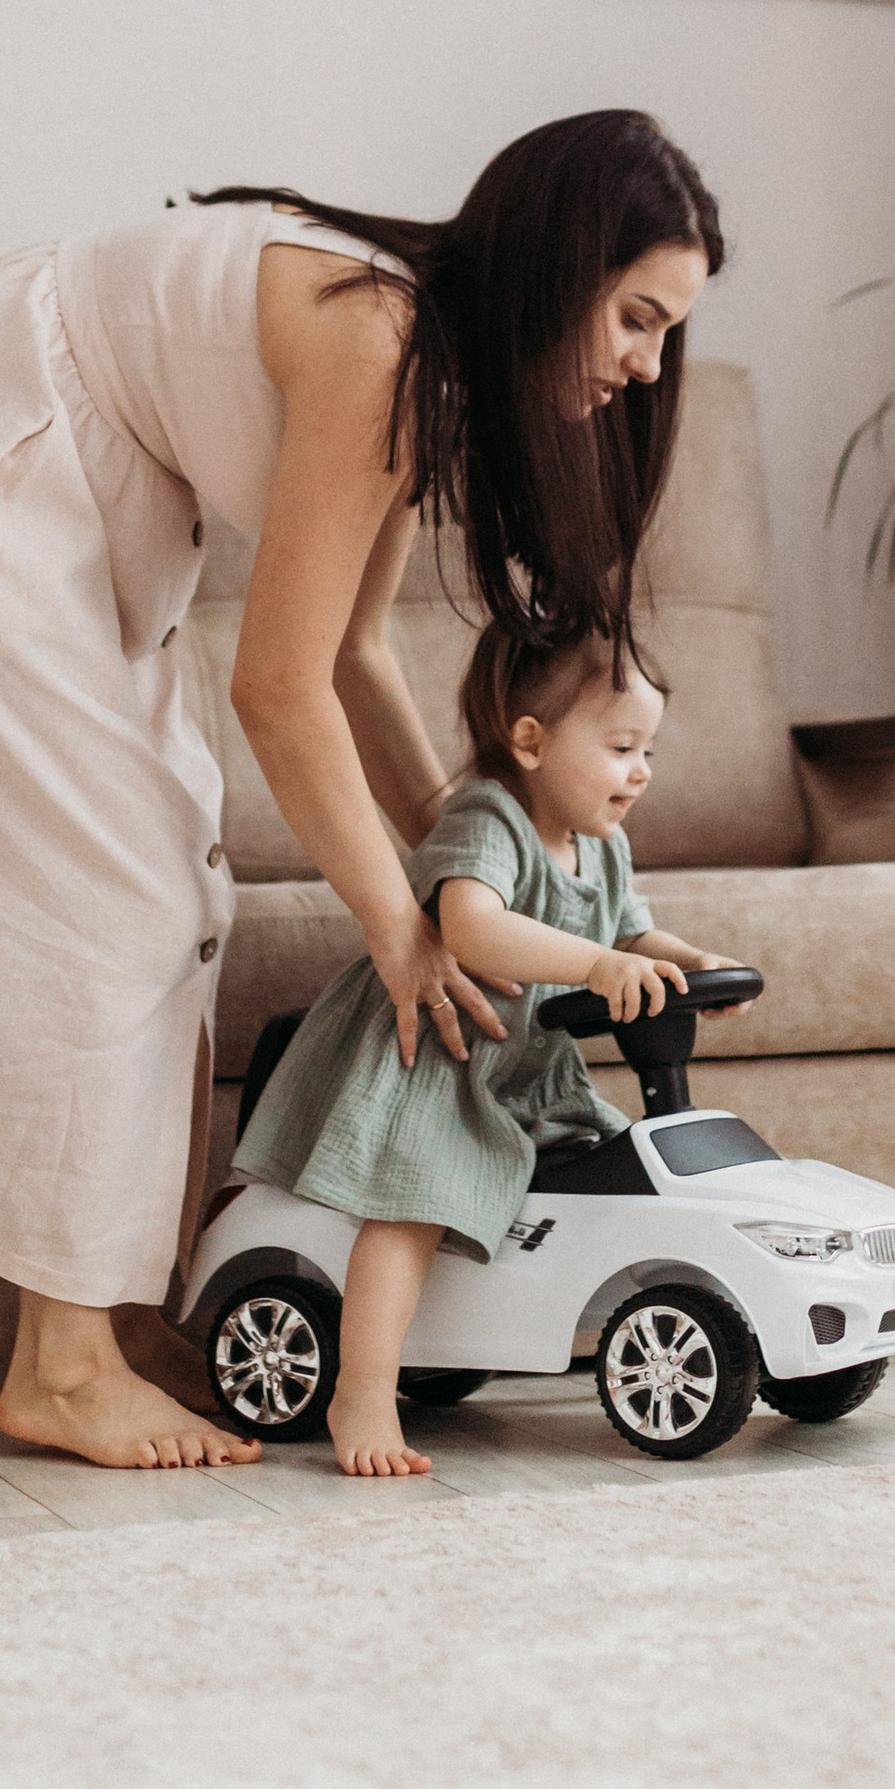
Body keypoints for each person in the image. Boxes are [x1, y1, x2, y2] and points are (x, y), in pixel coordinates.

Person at [0, 110, 721, 1472]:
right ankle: (64, 1369)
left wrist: (483, 857)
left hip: (68, 471)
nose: (646, 364)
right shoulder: (379, 343)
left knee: (171, 886)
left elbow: (357, 655)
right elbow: (280, 688)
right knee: (113, 891)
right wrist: (401, 930)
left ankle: (109, 1319)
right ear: (563, 267)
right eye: (636, 317)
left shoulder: (426, 369)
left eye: (668, 334)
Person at [230, 625, 743, 1475]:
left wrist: (689, 963)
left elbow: (634, 930)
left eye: (648, 748)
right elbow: (470, 925)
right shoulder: (489, 818)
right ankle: (361, 1388)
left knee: (620, 1165)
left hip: (527, 1070)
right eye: (620, 747)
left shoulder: (602, 846)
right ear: (531, 741)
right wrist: (596, 964)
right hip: (439, 1060)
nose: (642, 770)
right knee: (414, 1203)